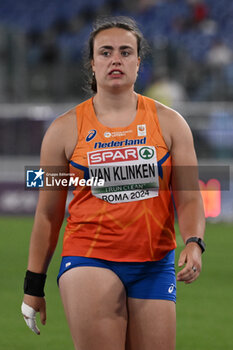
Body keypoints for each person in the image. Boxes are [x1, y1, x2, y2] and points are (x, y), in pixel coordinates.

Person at [21, 16, 206, 350]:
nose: (116, 59)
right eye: (105, 52)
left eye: (125, 52)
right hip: (90, 258)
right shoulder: (63, 131)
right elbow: (48, 213)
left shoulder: (171, 123)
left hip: (155, 264)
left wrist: (194, 241)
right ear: (92, 64)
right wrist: (33, 285)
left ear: (139, 62)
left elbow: (190, 197)